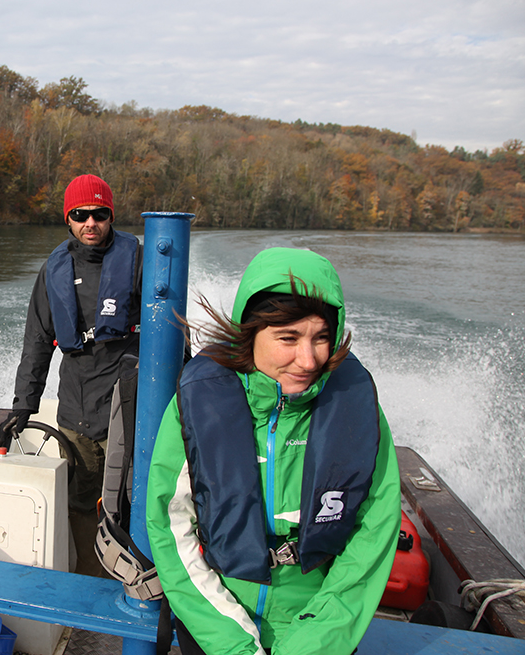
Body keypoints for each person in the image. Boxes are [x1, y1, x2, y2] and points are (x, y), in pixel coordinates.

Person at [145, 247, 400, 655]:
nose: (309, 358)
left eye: (321, 338)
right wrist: (232, 643)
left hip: (318, 623)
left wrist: (313, 643)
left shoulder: (356, 409)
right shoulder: (199, 402)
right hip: (217, 616)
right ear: (250, 333)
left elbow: (375, 532)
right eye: (288, 338)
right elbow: (170, 524)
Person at [3, 174, 142, 576]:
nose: (90, 223)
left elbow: (169, 330)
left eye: (99, 214)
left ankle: (134, 582)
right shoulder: (53, 271)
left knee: (129, 499)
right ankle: (90, 577)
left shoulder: (140, 261)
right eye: (80, 215)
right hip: (76, 409)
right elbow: (36, 342)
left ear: (111, 216)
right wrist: (24, 406)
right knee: (82, 500)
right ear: (68, 219)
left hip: (126, 406)